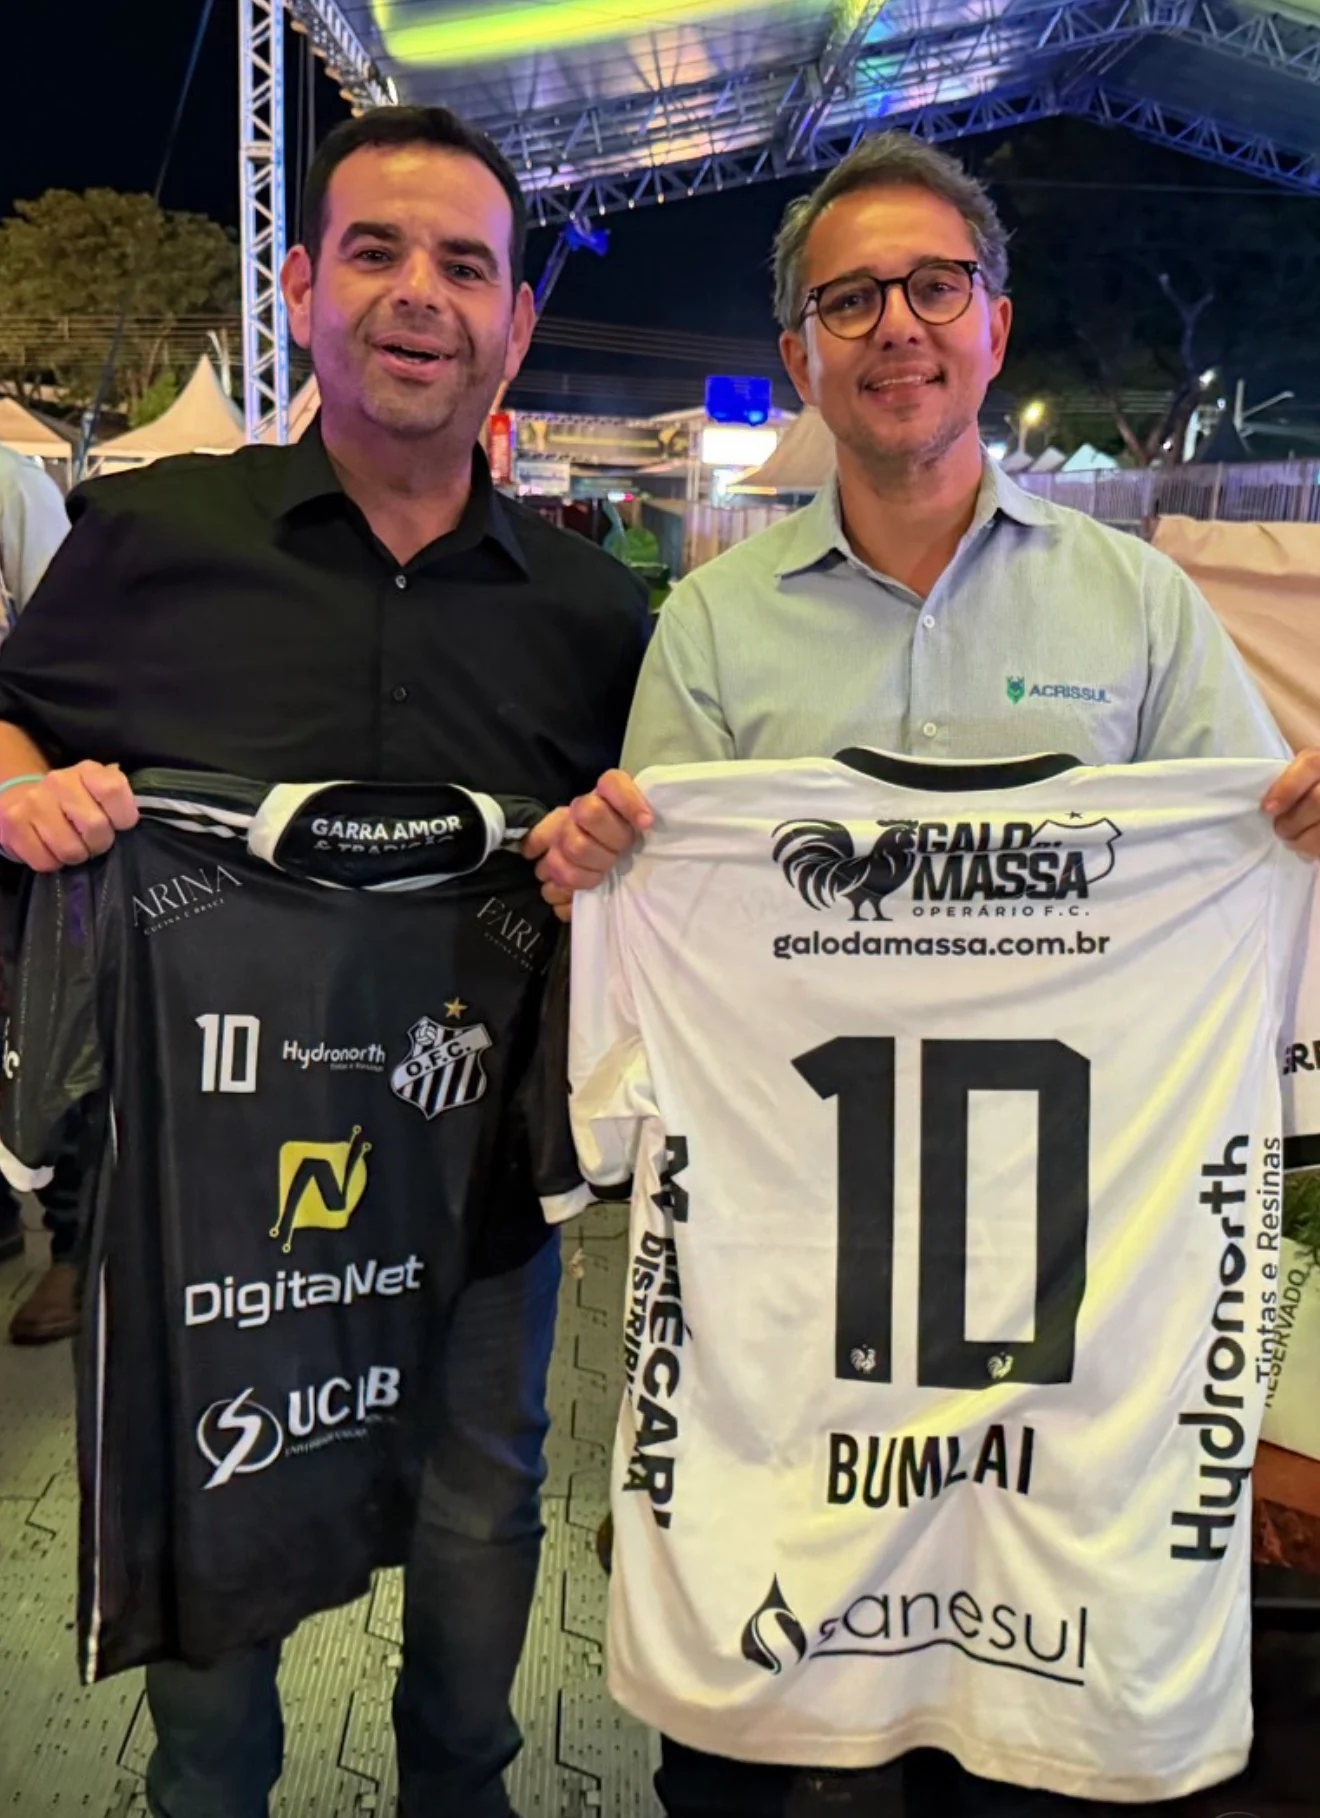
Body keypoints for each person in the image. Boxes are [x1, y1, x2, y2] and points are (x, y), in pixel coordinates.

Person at [525, 132, 1320, 1816]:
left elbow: (1250, 870)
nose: (898, 323)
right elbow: (666, 940)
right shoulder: (714, 627)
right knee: (737, 1762)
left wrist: (1297, 834)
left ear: (996, 321)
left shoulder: (1143, 608)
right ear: (801, 351)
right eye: (850, 299)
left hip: (1070, 1303)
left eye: (935, 286)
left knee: (1013, 1753)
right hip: (787, 1309)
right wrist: (609, 867)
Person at [0, 106, 649, 1818]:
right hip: (201, 1189)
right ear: (299, 289)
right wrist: (17, 789)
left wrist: (613, 856)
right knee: (209, 1521)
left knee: (482, 1500)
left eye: (465, 266)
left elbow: (657, 873)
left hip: (480, 1184)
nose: (418, 292)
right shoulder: (148, 535)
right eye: (375, 251)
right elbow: (10, 719)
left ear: (515, 323)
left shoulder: (595, 614)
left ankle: (460, 1789)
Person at [0, 443, 84, 1344]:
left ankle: (76, 1244)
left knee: (44, 1028)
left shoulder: (10, 483)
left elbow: (65, 665)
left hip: (17, 818)